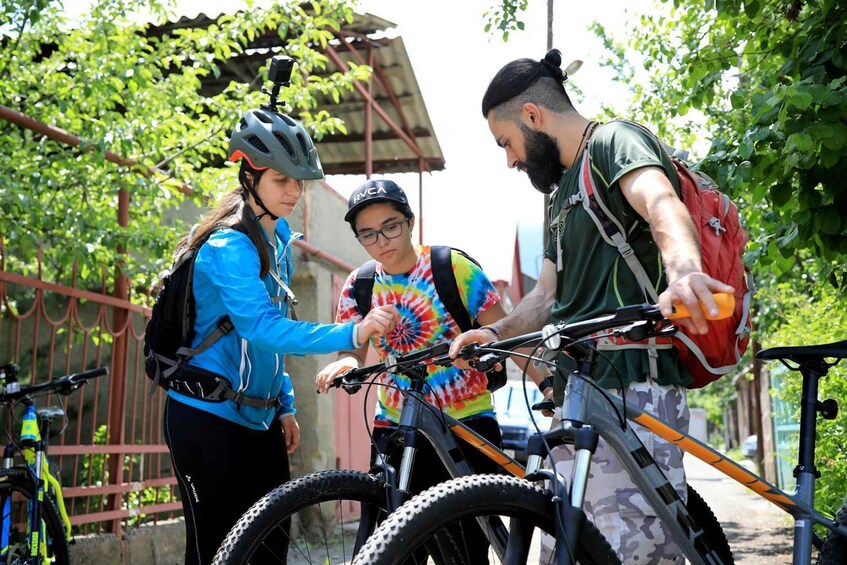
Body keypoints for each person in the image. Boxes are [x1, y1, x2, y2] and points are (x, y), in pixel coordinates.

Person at [448, 49, 735, 564]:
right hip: (577, 394)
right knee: (567, 544)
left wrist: (685, 272)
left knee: (635, 549)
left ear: (532, 116)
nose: (510, 159)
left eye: (506, 142)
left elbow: (659, 201)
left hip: (634, 385)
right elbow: (545, 296)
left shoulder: (613, 142)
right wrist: (499, 334)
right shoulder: (560, 195)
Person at [163, 107, 399, 565]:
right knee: (213, 551)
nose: (294, 192)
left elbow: (271, 329)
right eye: (281, 180)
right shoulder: (227, 246)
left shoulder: (279, 236)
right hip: (205, 417)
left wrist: (284, 403)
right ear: (249, 176)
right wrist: (352, 330)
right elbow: (261, 329)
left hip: (260, 419)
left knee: (271, 549)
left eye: (299, 181)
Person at [315, 178, 552, 562]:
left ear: (410, 221)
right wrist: (345, 362)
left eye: (391, 226)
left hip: (467, 425)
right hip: (396, 428)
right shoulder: (359, 286)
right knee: (395, 547)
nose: (382, 241)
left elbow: (505, 335)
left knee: (466, 549)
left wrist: (548, 385)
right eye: (368, 234)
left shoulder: (450, 268)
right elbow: (353, 351)